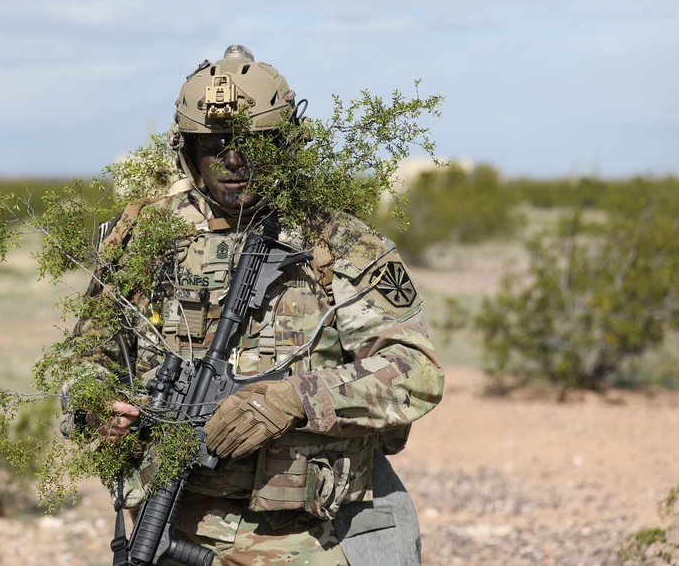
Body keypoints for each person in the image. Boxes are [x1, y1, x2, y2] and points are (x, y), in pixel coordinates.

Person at [63, 45, 444, 566]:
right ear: (189, 151)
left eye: (252, 144)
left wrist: (294, 398)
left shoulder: (341, 244)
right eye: (215, 144)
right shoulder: (144, 239)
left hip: (310, 535)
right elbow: (83, 360)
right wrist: (93, 406)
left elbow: (416, 372)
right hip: (172, 520)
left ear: (286, 147)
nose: (234, 160)